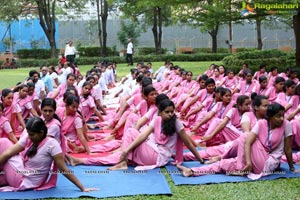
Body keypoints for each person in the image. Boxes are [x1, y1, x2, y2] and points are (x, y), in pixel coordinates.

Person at [68, 99, 204, 169]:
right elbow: (143, 135)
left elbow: (187, 142)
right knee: (120, 152)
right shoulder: (156, 120)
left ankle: (123, 161)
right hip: (151, 150)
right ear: (160, 112)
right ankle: (82, 161)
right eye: (167, 112)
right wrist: (126, 150)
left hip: (157, 157)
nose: (170, 114)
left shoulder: (176, 123)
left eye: (172, 112)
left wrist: (200, 159)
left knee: (129, 136)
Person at [177, 103, 295, 180]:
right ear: (269, 116)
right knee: (222, 165)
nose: (281, 119)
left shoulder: (286, 124)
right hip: (250, 155)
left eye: (282, 115)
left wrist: (291, 168)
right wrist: (248, 163)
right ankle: (191, 171)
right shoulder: (260, 123)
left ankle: (230, 161)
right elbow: (247, 141)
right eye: (278, 116)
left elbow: (288, 149)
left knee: (245, 137)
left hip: (267, 161)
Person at [0, 117, 97, 192]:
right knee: (5, 146)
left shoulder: (52, 145)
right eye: (28, 134)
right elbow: (9, 152)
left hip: (23, 181)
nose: (29, 136)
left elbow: (63, 169)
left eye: (32, 134)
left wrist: (82, 188)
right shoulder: (30, 137)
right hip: (22, 172)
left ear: (41, 133)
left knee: (4, 142)